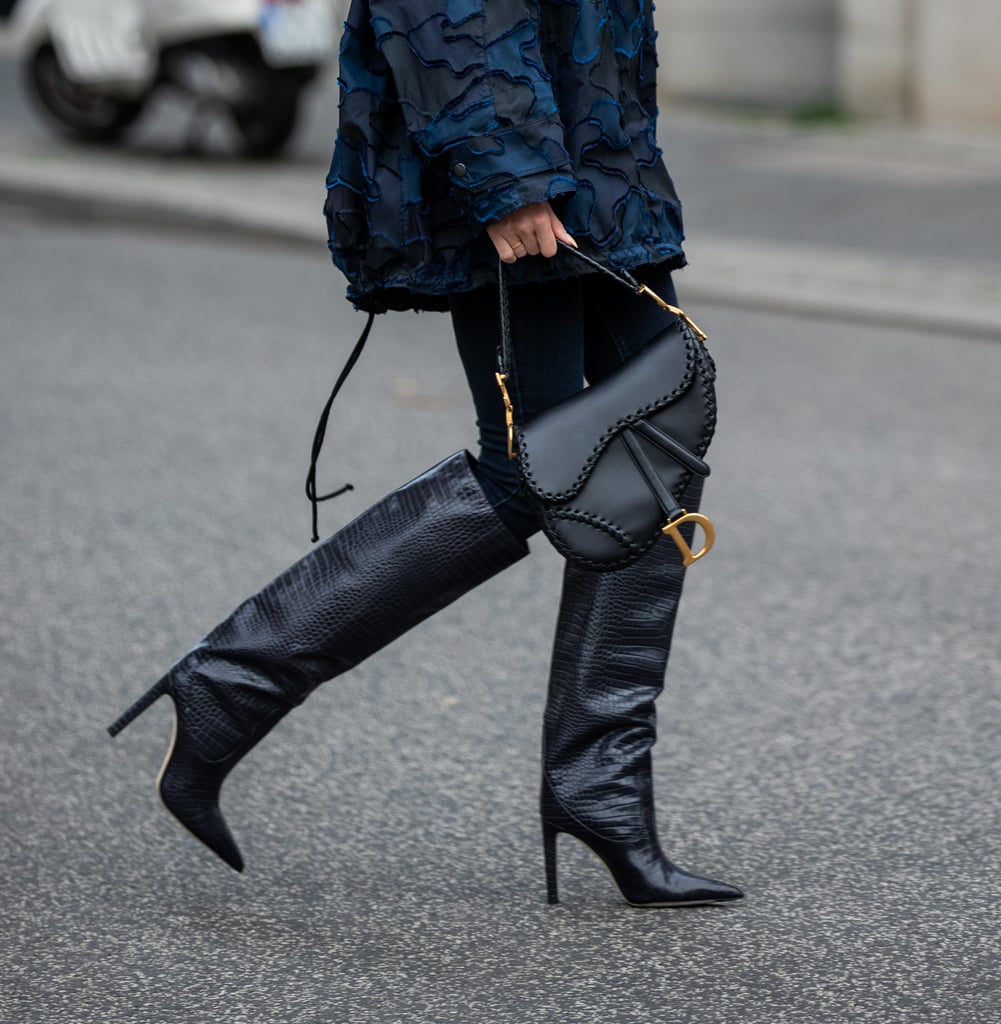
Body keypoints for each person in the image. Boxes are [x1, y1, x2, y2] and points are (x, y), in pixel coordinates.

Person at [109, 0, 743, 908]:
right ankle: (230, 685)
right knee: (536, 469)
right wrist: (510, 174)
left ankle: (601, 790)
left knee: (649, 450)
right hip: (529, 165)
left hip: (595, 158)